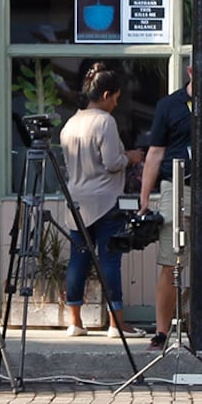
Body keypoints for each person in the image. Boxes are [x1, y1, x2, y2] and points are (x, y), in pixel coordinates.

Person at [56, 63, 146, 337]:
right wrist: (130, 157)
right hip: (106, 200)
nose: (117, 103)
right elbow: (111, 162)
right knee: (109, 260)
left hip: (77, 202)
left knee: (78, 260)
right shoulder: (105, 122)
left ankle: (75, 321)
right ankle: (116, 323)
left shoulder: (71, 122)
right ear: (106, 94)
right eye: (116, 98)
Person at [137, 64, 193, 350]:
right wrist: (145, 196)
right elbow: (155, 152)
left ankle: (193, 324)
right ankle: (162, 330)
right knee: (171, 261)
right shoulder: (170, 105)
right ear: (191, 70)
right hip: (177, 186)